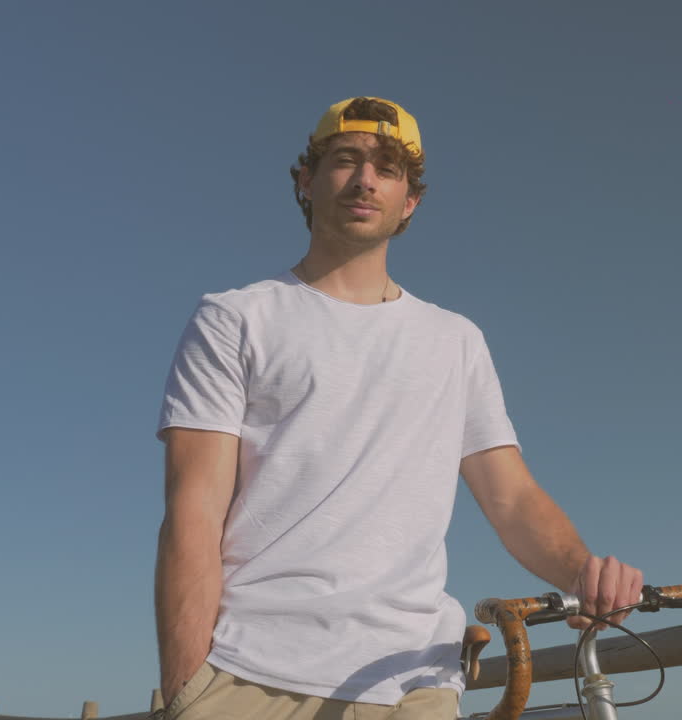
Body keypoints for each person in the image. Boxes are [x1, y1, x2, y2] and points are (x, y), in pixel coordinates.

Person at [154, 96, 644, 720]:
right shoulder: (235, 318)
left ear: (409, 200)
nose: (365, 180)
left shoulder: (456, 339)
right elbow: (192, 511)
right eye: (345, 160)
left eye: (387, 169)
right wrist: (188, 692)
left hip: (415, 680)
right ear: (305, 181)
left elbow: (513, 499)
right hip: (253, 675)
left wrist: (583, 574)